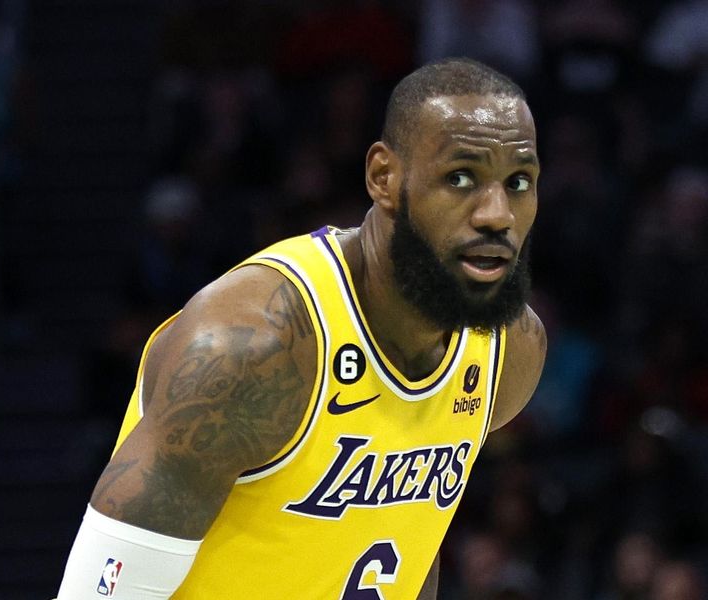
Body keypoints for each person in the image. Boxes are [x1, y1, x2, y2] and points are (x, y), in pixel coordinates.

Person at [55, 57, 546, 600]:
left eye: (519, 182)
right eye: (461, 177)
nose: (497, 213)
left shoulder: (508, 353)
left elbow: (406, 547)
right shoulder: (250, 350)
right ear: (384, 177)